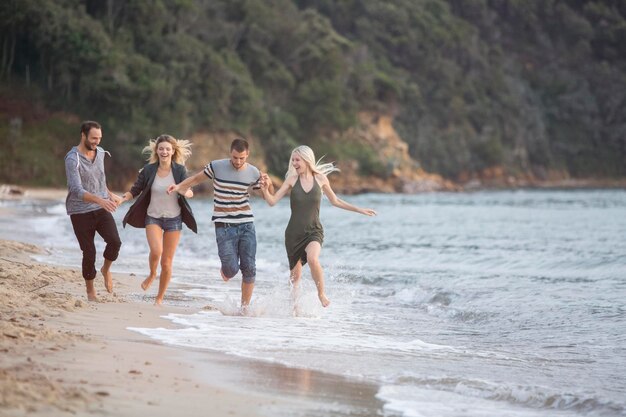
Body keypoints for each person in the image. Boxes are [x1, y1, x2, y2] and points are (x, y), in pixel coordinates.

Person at [260, 145, 376, 308]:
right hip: (294, 234)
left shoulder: (321, 179)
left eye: (297, 160)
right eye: (292, 160)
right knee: (295, 278)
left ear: (307, 160)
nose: (294, 163)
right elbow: (272, 202)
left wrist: (359, 209)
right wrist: (265, 191)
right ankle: (294, 309)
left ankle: (321, 294)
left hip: (314, 231)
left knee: (313, 259)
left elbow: (335, 201)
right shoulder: (292, 180)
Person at [167, 138, 270, 313]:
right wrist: (179, 186)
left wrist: (268, 186)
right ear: (230, 153)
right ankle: (226, 270)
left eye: (242, 158)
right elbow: (196, 179)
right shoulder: (217, 166)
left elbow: (266, 196)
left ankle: (244, 309)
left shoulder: (254, 172)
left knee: (250, 267)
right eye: (235, 157)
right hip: (224, 225)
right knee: (231, 269)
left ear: (247, 155)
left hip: (246, 224)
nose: (238, 162)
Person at [119, 134, 197, 305]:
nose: (164, 151)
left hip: (174, 219)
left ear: (173, 151)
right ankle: (153, 273)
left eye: (167, 149)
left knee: (167, 263)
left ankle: (159, 298)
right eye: (161, 148)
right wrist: (122, 198)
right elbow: (135, 189)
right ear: (157, 150)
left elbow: (189, 191)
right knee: (156, 251)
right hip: (153, 217)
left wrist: (182, 190)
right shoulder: (149, 170)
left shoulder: (179, 170)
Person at [64, 120, 122, 301]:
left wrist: (109, 194)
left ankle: (106, 269)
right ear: (83, 135)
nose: (97, 141)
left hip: (100, 206)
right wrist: (100, 200)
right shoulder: (72, 158)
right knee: (89, 252)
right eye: (93, 138)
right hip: (80, 211)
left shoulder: (102, 153)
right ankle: (90, 291)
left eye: (99, 138)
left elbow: (100, 181)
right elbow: (76, 189)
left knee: (115, 242)